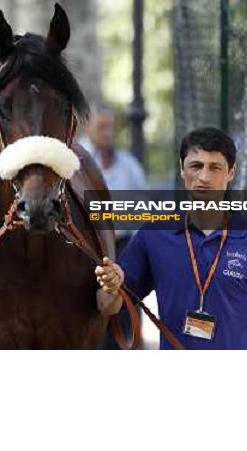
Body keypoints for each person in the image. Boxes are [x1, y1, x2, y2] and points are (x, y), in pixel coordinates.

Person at [114, 126, 247, 350]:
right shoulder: (153, 236)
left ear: (231, 172)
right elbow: (110, 305)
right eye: (196, 166)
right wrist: (110, 286)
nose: (204, 177)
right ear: (182, 169)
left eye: (215, 168)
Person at [79, 104, 146, 348]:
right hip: (88, 250)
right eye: (102, 127)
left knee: (126, 305)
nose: (108, 133)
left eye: (111, 128)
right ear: (87, 127)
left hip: (123, 246)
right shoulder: (75, 164)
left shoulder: (129, 165)